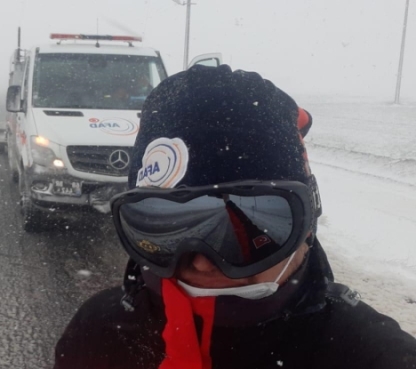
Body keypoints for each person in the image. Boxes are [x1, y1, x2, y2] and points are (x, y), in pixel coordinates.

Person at [54, 65, 416, 369]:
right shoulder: (100, 332)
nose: (201, 263)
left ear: (307, 226)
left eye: (243, 215)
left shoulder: (371, 354)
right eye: (160, 224)